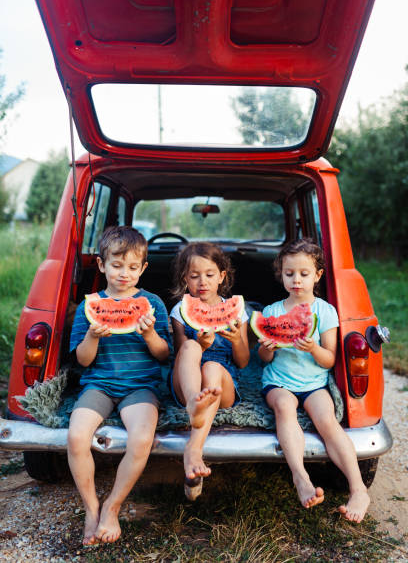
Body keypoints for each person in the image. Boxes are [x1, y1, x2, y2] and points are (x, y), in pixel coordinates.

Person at [68, 226, 171, 545]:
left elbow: (165, 354)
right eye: (116, 265)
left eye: (131, 267)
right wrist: (92, 336)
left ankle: (112, 506)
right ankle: (91, 507)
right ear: (101, 265)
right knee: (75, 437)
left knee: (141, 440)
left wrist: (150, 334)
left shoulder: (152, 303)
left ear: (143, 268)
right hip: (98, 384)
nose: (123, 273)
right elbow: (82, 361)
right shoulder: (90, 305)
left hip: (140, 386)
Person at [259, 238, 370, 523]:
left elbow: (329, 360)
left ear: (318, 275)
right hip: (278, 381)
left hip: (314, 383)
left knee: (328, 422)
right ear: (281, 274)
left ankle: (358, 489)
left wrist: (314, 348)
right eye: (289, 273)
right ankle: (300, 476)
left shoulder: (325, 311)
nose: (296, 280)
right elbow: (263, 359)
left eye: (304, 274)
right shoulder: (271, 312)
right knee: (284, 407)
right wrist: (267, 347)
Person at [169, 242, 250, 499]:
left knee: (213, 367)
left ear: (222, 276)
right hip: (187, 383)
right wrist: (201, 346)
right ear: (185, 279)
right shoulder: (180, 311)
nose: (202, 281)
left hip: (221, 384)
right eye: (194, 276)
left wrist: (237, 339)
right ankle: (195, 403)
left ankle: (194, 449)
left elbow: (244, 362)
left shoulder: (237, 310)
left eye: (210, 274)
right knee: (192, 346)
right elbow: (182, 355)